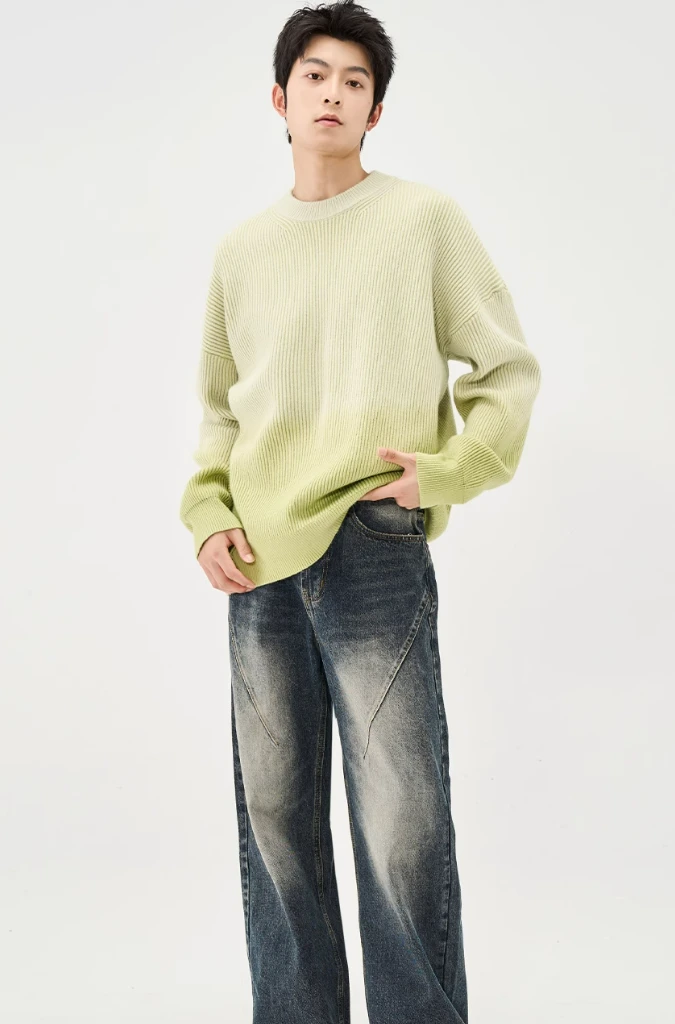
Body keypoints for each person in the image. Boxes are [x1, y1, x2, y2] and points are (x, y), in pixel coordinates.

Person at [179, 2, 542, 1021]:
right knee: (274, 821)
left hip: (373, 542)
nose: (332, 93)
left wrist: (451, 469)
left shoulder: (421, 222)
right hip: (260, 559)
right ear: (279, 97)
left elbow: (506, 369)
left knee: (399, 821)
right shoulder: (242, 251)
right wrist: (208, 513)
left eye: (354, 80)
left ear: (375, 111)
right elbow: (219, 409)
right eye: (315, 75)